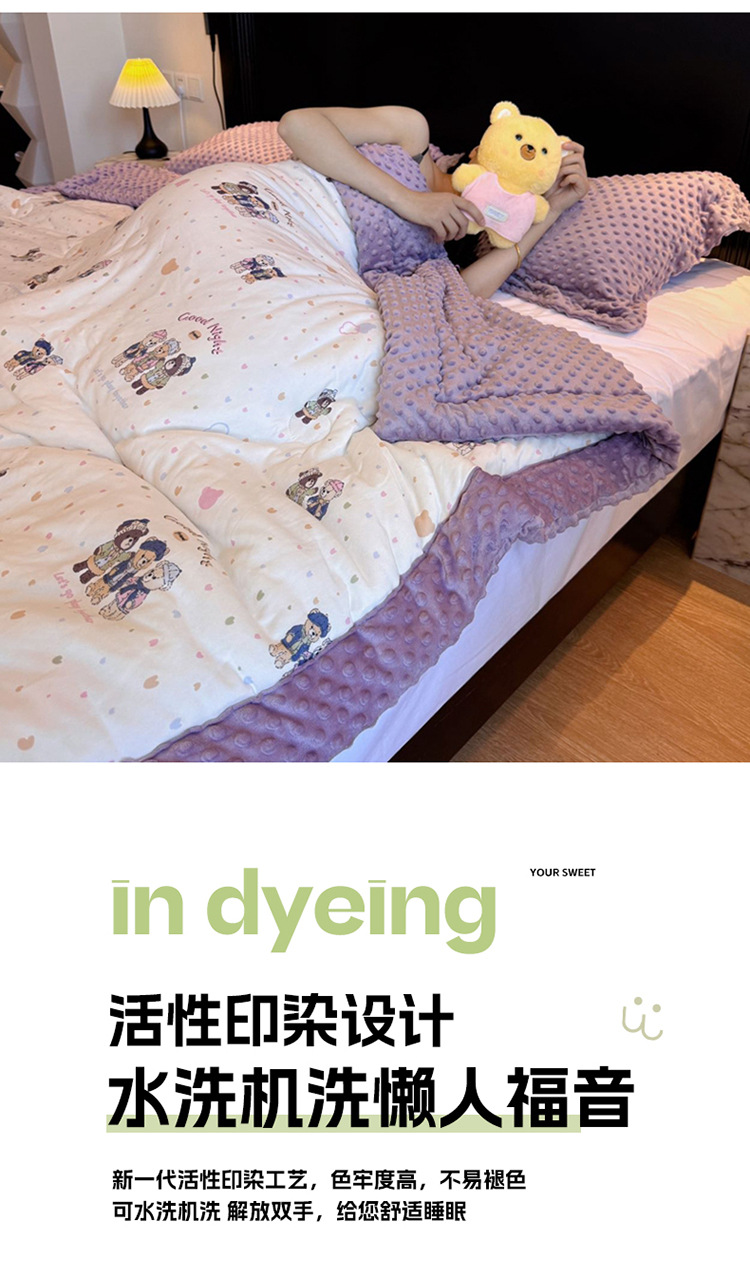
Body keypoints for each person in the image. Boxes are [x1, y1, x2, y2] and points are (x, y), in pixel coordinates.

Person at [277, 105, 589, 298]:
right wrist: (410, 201)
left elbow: (465, 294)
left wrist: (553, 210)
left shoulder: (447, 251)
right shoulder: (412, 135)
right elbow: (297, 125)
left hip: (299, 264)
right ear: (479, 152)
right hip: (275, 207)